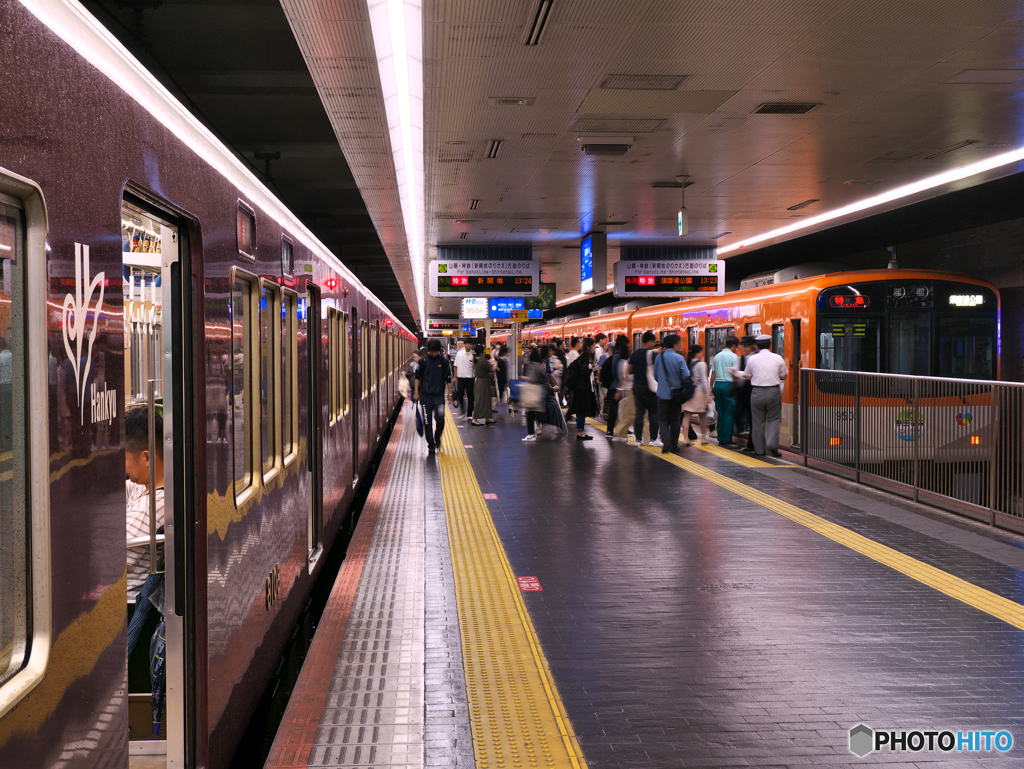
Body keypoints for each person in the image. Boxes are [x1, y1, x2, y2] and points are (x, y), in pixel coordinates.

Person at [125, 406, 166, 604]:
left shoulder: (148, 509)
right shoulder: (145, 487)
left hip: (126, 605)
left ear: (147, 457)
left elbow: (107, 566)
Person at [736, 334, 788, 456]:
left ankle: (759, 450)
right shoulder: (777, 357)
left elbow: (748, 376)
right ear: (770, 345)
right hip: (773, 391)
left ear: (757, 345)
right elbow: (784, 376)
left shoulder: (752, 359)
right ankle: (772, 445)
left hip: (757, 393)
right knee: (774, 419)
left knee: (757, 422)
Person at [653, 334, 690, 453]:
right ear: (675, 344)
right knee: (675, 420)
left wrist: (663, 383)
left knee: (663, 419)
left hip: (662, 394)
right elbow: (686, 375)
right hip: (676, 394)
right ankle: (674, 444)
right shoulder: (679, 358)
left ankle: (666, 442)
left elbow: (655, 375)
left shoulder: (659, 357)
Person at [414, 339, 453, 452]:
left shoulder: (443, 361)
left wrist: (450, 394)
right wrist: (416, 393)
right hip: (425, 397)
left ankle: (437, 437)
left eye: (436, 351)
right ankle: (431, 444)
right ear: (428, 350)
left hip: (439, 396)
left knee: (440, 419)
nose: (434, 353)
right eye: (432, 351)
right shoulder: (423, 361)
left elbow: (448, 378)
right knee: (427, 421)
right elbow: (417, 377)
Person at [628, 331, 661, 448]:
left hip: (637, 387)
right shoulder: (653, 355)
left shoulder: (635, 354)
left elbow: (629, 370)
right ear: (651, 341)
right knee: (654, 412)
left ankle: (638, 439)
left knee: (639, 413)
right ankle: (653, 439)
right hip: (651, 387)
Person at [709, 337, 739, 447]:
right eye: (736, 347)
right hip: (728, 386)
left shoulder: (717, 356)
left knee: (720, 413)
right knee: (729, 413)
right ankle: (727, 438)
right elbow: (735, 374)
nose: (737, 349)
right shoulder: (734, 356)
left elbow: (713, 373)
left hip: (717, 385)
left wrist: (711, 388)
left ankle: (720, 438)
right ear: (734, 346)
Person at [567, 337, 598, 440]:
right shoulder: (585, 357)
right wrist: (592, 368)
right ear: (588, 347)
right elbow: (584, 372)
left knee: (581, 410)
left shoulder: (584, 356)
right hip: (582, 388)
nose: (594, 348)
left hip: (582, 387)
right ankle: (580, 432)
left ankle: (581, 431)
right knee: (581, 410)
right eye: (593, 346)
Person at [731, 336, 757, 452]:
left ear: (752, 345)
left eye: (746, 346)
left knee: (753, 419)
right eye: (743, 346)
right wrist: (734, 374)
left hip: (752, 390)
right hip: (742, 392)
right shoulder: (740, 359)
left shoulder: (757, 358)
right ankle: (741, 433)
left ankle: (751, 444)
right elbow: (735, 372)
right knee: (737, 414)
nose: (744, 348)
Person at [681, 345, 711, 446]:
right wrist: (708, 393)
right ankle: (703, 438)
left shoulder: (686, 363)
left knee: (686, 415)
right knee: (702, 416)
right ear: (698, 353)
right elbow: (704, 380)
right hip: (699, 392)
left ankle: (685, 439)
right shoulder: (702, 364)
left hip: (687, 392)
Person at [606, 335, 631, 440]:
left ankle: (621, 429)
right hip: (616, 387)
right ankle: (610, 430)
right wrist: (620, 386)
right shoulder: (617, 356)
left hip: (619, 386)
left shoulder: (621, 355)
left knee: (620, 409)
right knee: (614, 409)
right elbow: (615, 372)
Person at [611, 336, 634, 442]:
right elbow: (623, 378)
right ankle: (618, 433)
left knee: (625, 413)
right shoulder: (623, 361)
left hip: (624, 389)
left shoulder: (622, 361)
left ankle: (621, 433)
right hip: (627, 389)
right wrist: (619, 390)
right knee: (628, 414)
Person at [521, 348, 547, 442]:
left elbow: (533, 379)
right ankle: (532, 433)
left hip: (533, 393)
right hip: (538, 391)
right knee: (533, 413)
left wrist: (522, 378)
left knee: (530, 414)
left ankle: (531, 434)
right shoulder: (539, 365)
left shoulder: (534, 365)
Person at [471, 345, 496, 426]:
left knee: (485, 400)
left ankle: (487, 418)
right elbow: (492, 368)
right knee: (480, 400)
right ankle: (474, 419)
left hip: (480, 381)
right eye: (484, 351)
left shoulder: (476, 360)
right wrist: (496, 363)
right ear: (481, 352)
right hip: (483, 382)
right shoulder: (482, 360)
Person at [453, 338, 476, 419]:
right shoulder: (459, 353)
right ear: (464, 344)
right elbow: (456, 365)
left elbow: (476, 366)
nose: (468, 345)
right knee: (460, 395)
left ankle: (469, 413)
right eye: (467, 344)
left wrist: (474, 356)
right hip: (460, 377)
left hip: (470, 378)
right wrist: (454, 377)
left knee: (471, 396)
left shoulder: (473, 354)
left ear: (472, 345)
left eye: (470, 344)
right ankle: (462, 411)